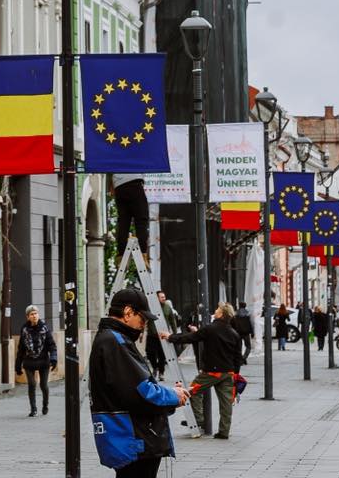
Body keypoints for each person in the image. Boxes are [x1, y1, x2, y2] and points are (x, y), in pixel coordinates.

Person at [89, 288, 189, 477]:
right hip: (134, 438)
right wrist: (173, 396)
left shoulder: (111, 339)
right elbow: (141, 391)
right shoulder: (116, 342)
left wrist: (168, 395)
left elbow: (134, 385)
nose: (144, 324)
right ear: (128, 313)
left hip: (127, 436)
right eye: (142, 318)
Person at [171, 302, 244, 440]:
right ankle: (224, 432)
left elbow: (189, 338)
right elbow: (237, 357)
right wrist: (235, 374)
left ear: (221, 314)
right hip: (228, 373)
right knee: (226, 404)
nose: (215, 311)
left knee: (192, 391)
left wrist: (170, 337)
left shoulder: (211, 329)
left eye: (217, 309)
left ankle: (198, 419)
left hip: (211, 372)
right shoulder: (234, 334)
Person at [16, 304, 58, 416]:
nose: (34, 316)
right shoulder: (24, 330)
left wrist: (53, 359)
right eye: (32, 314)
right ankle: (33, 409)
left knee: (43, 385)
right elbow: (21, 348)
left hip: (43, 361)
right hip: (29, 362)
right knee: (32, 384)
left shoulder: (45, 328)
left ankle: (45, 405)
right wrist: (18, 365)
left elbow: (52, 345)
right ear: (27, 317)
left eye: (36, 313)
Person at [112, 175, 150, 257]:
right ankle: (143, 254)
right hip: (134, 182)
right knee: (141, 220)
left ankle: (121, 255)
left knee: (123, 221)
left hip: (118, 185)